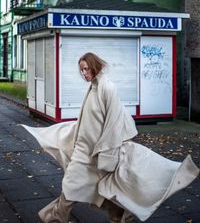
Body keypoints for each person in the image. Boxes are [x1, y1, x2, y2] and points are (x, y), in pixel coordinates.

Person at [22, 52, 199, 223]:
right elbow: (89, 120)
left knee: (80, 188)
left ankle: (58, 218)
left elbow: (113, 122)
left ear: (94, 66)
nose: (84, 73)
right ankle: (118, 217)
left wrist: (107, 153)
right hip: (83, 151)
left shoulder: (107, 87)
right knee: (82, 188)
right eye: (81, 70)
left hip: (96, 153)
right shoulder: (93, 88)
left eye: (86, 69)